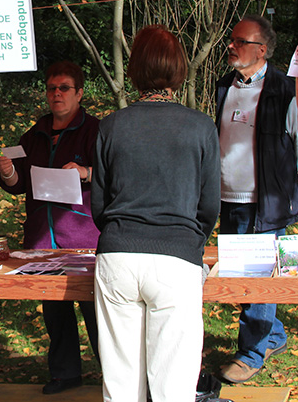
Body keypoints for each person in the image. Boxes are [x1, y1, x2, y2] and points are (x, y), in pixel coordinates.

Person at [91, 25, 220, 401]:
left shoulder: (111, 126)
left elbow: (99, 202)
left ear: (134, 71)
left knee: (120, 381)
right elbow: (209, 205)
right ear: (179, 70)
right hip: (176, 257)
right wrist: (192, 240)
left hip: (117, 255)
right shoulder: (200, 127)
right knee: (172, 385)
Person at [0, 61, 100, 395]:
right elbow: (17, 183)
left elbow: (114, 175)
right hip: (42, 237)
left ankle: (115, 374)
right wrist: (8, 171)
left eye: (64, 88)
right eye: (52, 88)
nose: (57, 94)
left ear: (79, 93)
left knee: (96, 311)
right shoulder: (35, 133)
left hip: (83, 236)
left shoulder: (96, 131)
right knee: (54, 310)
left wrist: (85, 173)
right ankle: (65, 372)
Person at [216, 15, 298, 383]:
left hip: (265, 201)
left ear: (262, 49)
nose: (231, 45)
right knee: (243, 277)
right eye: (232, 39)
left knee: (257, 278)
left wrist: (279, 181)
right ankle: (272, 334)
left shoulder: (285, 90)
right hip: (228, 198)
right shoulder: (225, 86)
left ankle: (251, 354)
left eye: (240, 41)